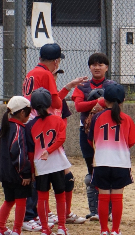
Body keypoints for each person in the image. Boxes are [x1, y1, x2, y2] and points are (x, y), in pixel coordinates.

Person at [22, 43, 87, 232]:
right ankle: (30, 216)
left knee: (38, 171)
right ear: (56, 61)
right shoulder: (47, 74)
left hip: (31, 123)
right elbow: (56, 101)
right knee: (40, 173)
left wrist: (67, 86)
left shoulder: (32, 72)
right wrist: (63, 94)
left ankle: (40, 214)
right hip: (41, 125)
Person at [87, 83, 135, 235]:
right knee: (117, 198)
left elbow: (91, 141)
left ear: (104, 100)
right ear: (123, 100)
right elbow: (131, 141)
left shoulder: (97, 117)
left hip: (101, 162)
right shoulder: (127, 118)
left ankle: (104, 230)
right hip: (121, 163)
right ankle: (116, 230)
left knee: (103, 198)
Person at [71, 53, 115, 220]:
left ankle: (109, 210)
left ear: (107, 67)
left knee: (107, 169)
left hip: (108, 133)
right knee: (92, 171)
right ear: (89, 67)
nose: (97, 67)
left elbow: (119, 100)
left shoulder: (112, 85)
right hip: (87, 132)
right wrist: (101, 102)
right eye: (94, 64)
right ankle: (95, 211)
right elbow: (79, 106)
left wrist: (100, 103)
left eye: (101, 64)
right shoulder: (82, 86)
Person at [25, 88, 72, 235]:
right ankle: (62, 227)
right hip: (57, 163)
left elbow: (31, 152)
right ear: (49, 103)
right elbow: (61, 138)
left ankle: (45, 228)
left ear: (32, 107)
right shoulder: (57, 119)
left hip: (41, 166)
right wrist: (50, 150)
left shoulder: (30, 125)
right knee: (60, 195)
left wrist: (32, 171)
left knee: (42, 197)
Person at [53, 69, 86, 225]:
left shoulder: (59, 99)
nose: (53, 78)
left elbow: (63, 119)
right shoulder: (38, 98)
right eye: (51, 75)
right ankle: (41, 214)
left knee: (68, 178)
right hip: (41, 147)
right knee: (42, 183)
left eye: (55, 76)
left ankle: (65, 213)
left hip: (56, 146)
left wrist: (59, 136)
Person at [0, 97, 32, 235]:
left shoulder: (4, 128)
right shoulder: (19, 129)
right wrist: (25, 173)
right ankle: (16, 230)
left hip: (5, 173)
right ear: (22, 113)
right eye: (28, 113)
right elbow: (18, 152)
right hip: (17, 174)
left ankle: (1, 227)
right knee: (21, 202)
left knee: (9, 200)